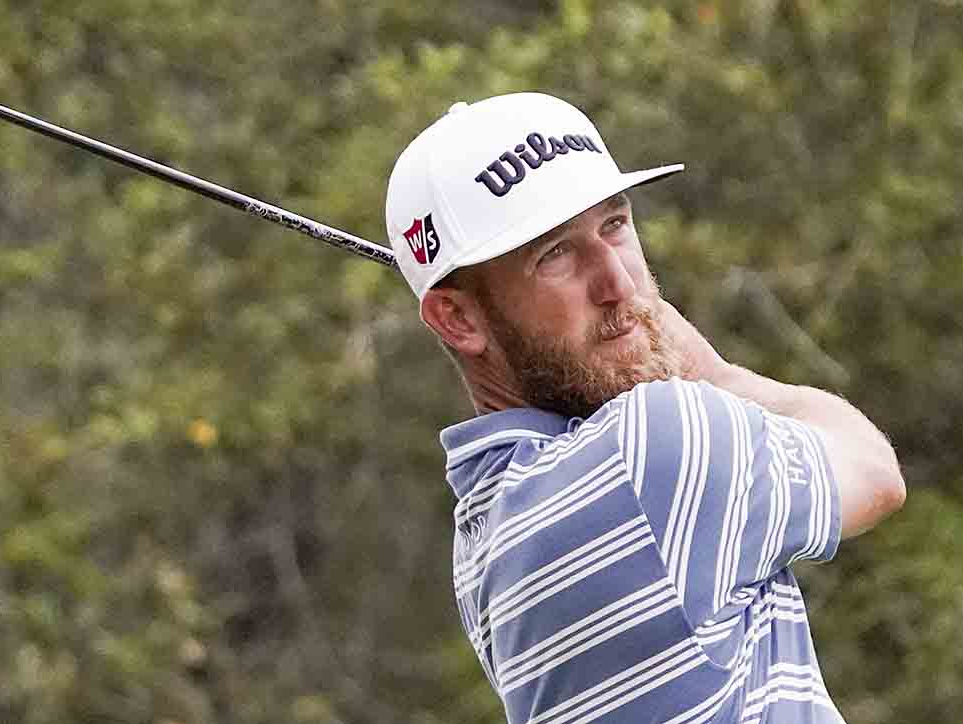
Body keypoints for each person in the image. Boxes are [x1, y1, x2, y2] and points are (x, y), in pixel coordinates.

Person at [384, 93, 905, 723]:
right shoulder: (657, 443)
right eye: (555, 255)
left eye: (614, 226)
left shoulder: (484, 529)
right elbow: (876, 472)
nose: (620, 285)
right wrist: (716, 372)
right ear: (459, 317)